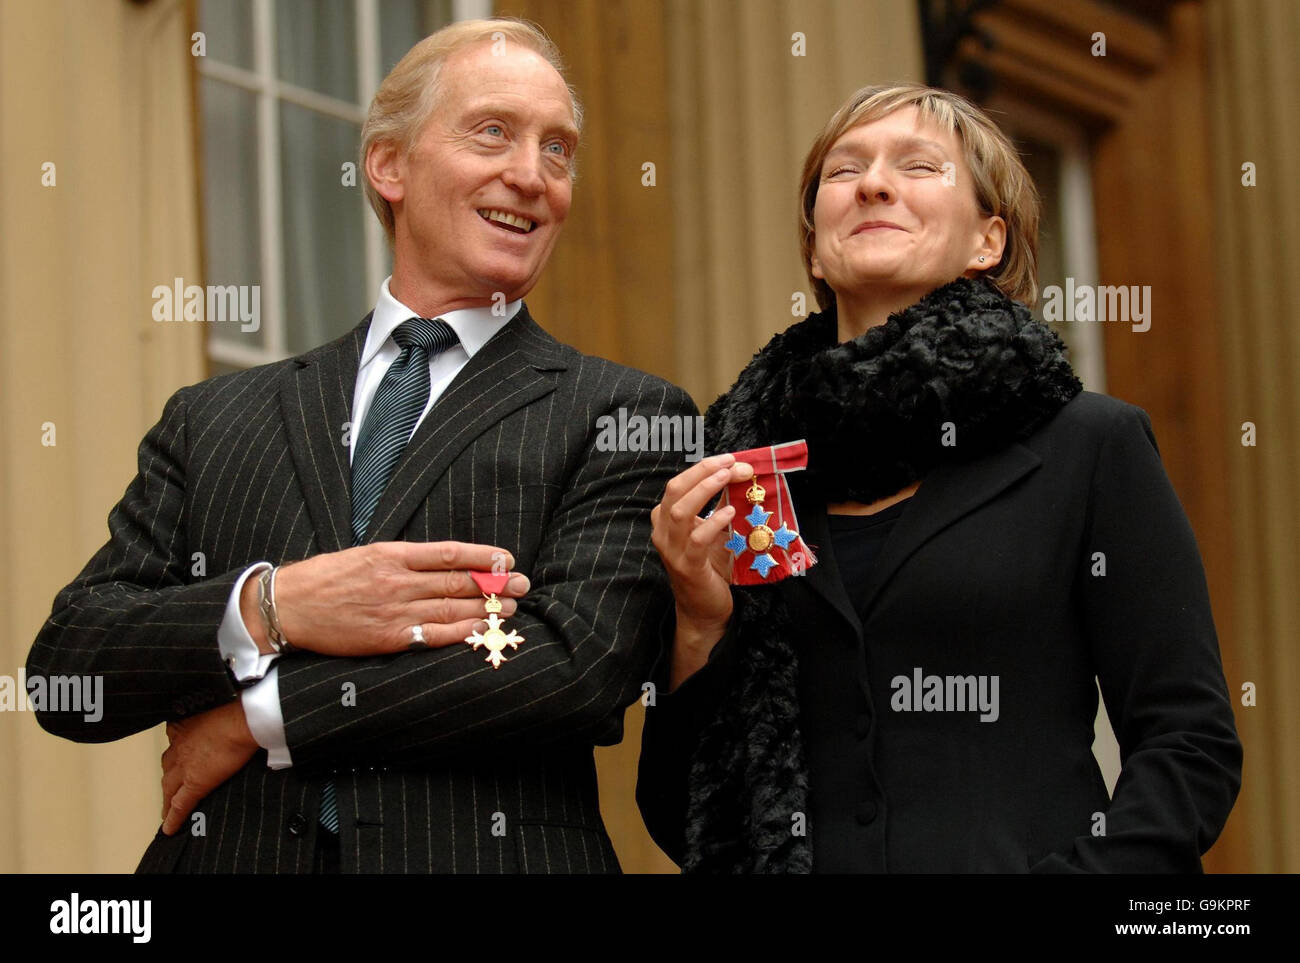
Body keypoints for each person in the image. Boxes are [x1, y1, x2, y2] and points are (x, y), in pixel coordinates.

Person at [27, 18, 696, 874]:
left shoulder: (627, 413)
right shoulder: (213, 417)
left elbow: (573, 670)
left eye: (558, 151)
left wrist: (260, 718)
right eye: (493, 131)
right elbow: (66, 669)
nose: (531, 175)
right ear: (388, 165)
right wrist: (272, 606)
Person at [637, 83, 1242, 873]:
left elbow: (1188, 743)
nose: (873, 184)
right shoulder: (743, 467)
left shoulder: (1089, 443)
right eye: (844, 171)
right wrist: (696, 622)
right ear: (816, 250)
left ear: (987, 241)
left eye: (918, 165)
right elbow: (679, 811)